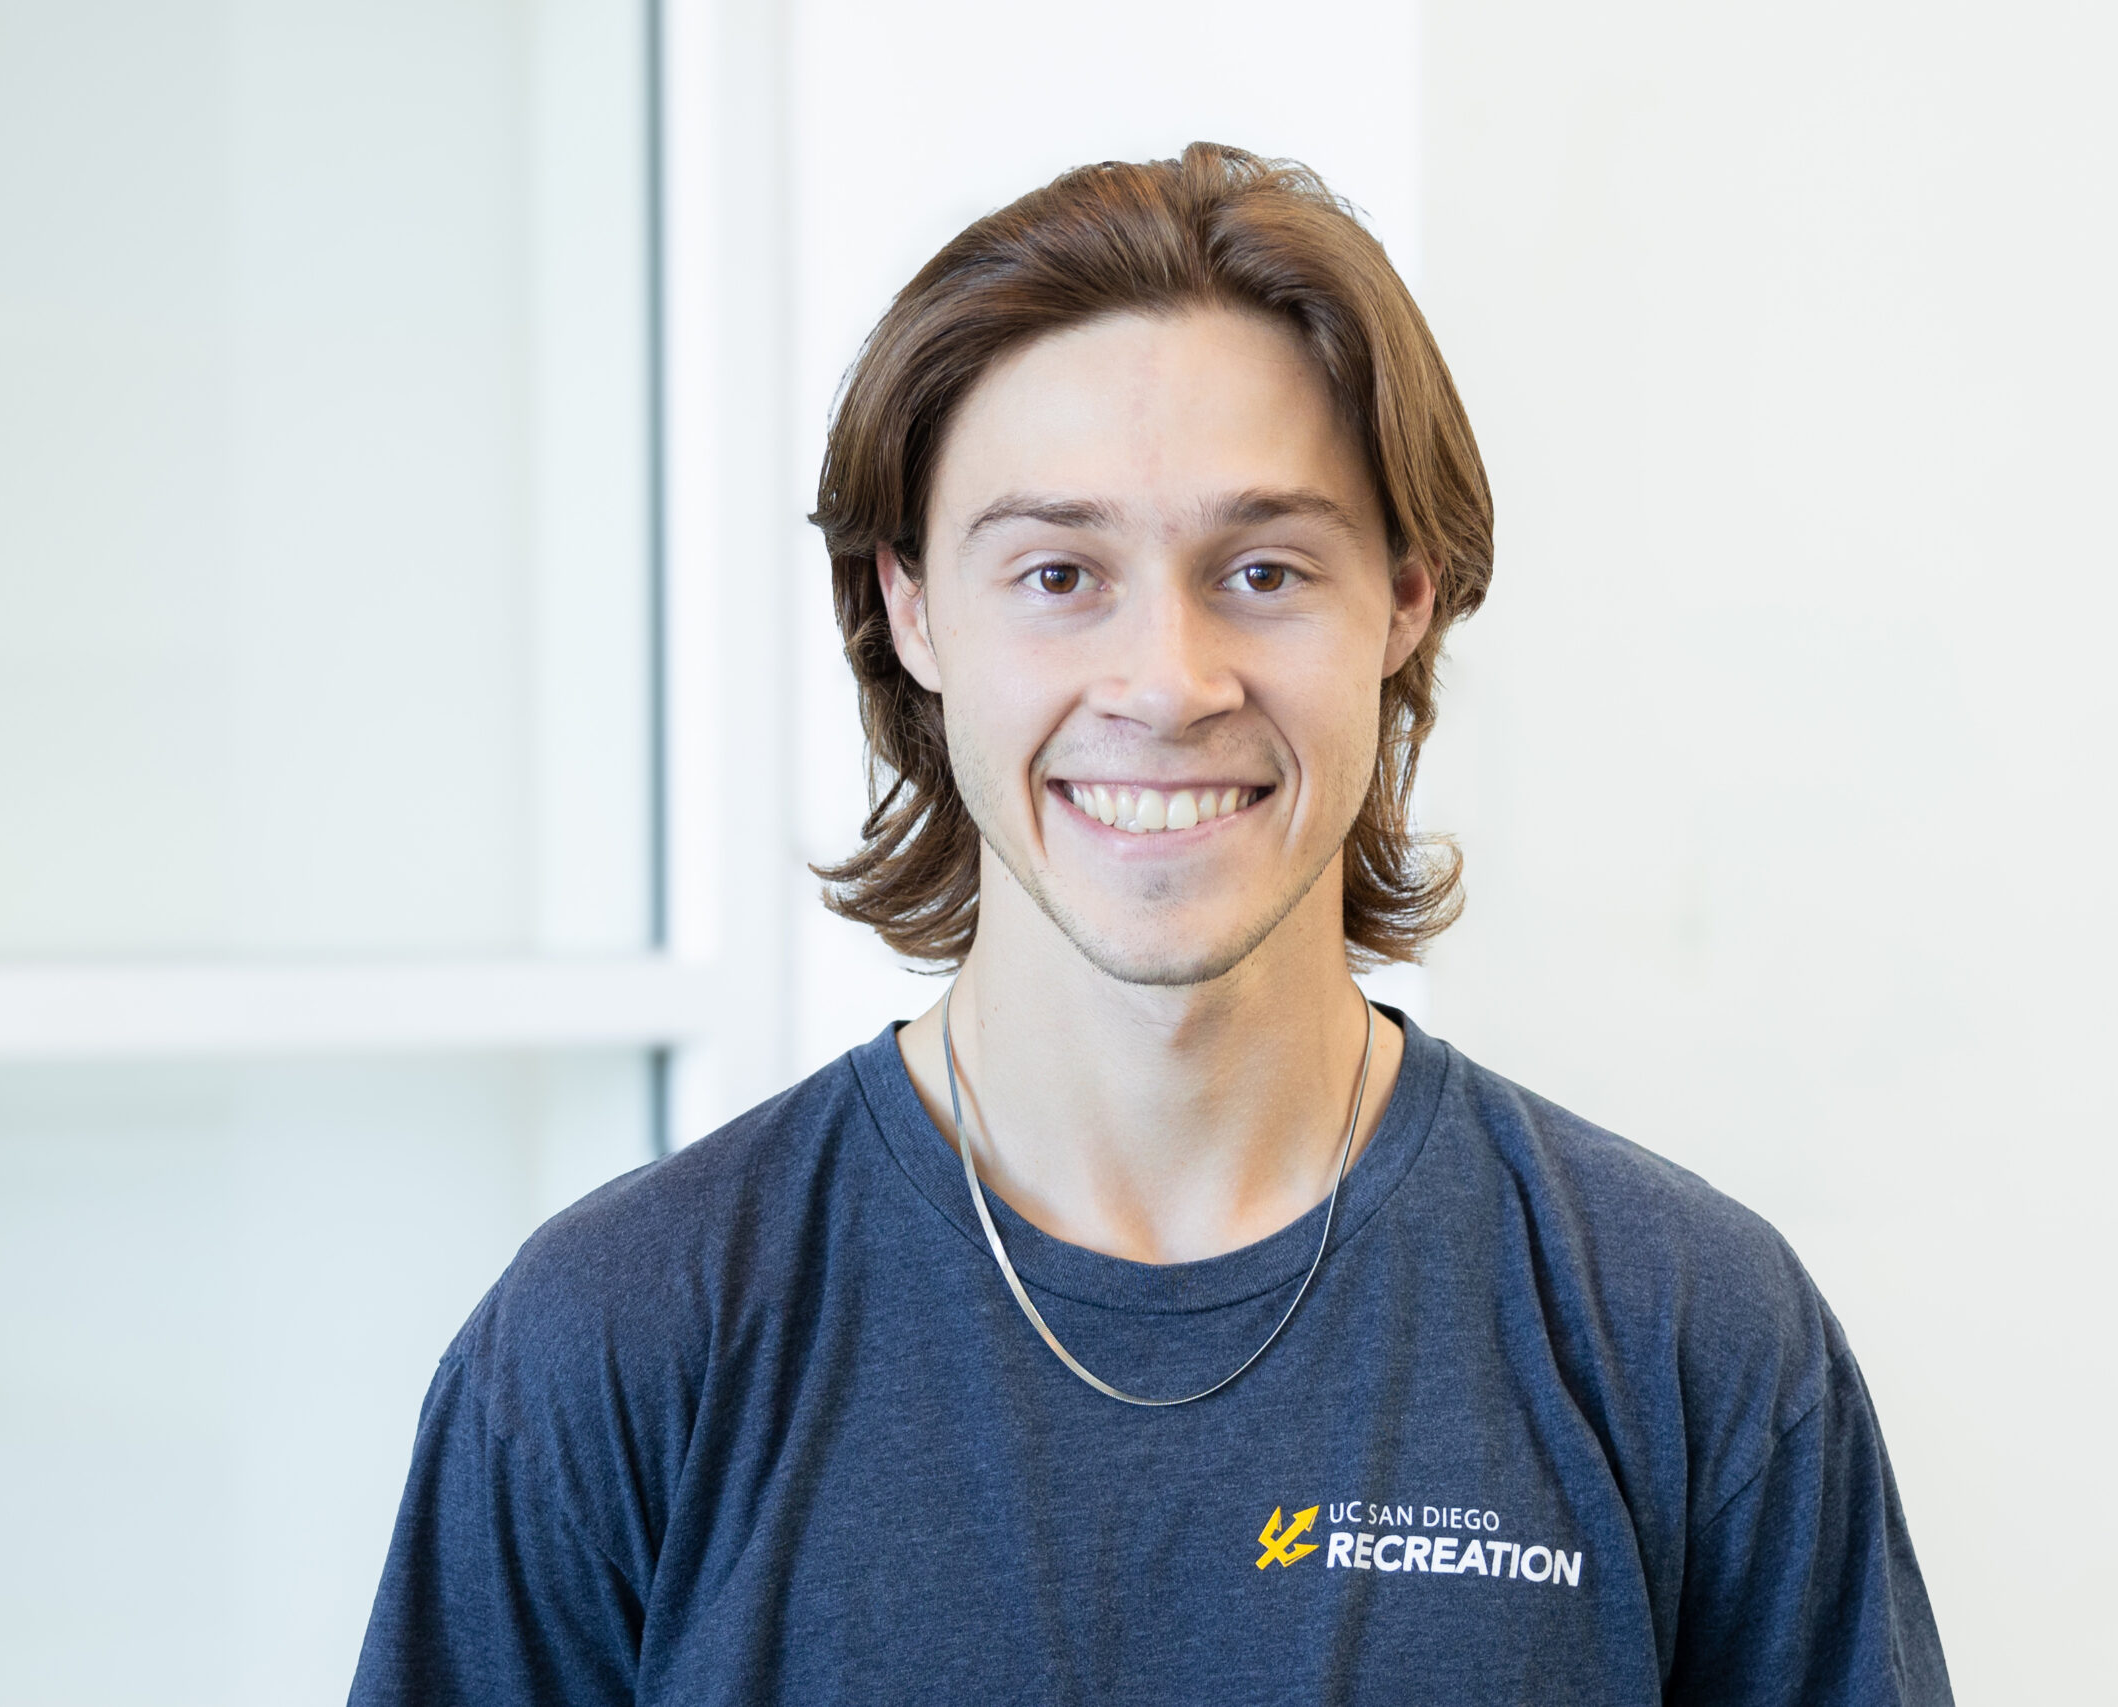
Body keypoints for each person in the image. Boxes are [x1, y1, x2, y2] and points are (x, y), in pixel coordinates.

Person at [347, 144, 1950, 1705]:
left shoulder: (1690, 1337)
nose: (1168, 682)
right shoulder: (616, 1348)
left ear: (1404, 596)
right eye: (1057, 574)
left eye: (1262, 568)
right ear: (910, 607)